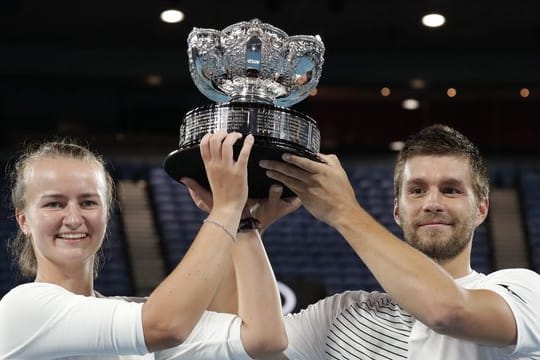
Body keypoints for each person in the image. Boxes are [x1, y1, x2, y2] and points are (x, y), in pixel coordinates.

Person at [256, 124, 540, 359]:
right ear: (397, 211)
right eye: (417, 190)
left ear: (481, 210)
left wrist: (344, 211)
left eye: (451, 190)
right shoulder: (343, 313)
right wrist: (246, 226)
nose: (432, 203)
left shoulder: (523, 290)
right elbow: (254, 346)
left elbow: (446, 311)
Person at [0, 130, 287, 359]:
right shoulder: (23, 308)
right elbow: (166, 325)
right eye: (55, 204)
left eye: (88, 202)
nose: (74, 218)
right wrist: (226, 209)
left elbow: (262, 340)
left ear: (106, 212)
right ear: (23, 220)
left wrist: (244, 226)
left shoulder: (132, 315)